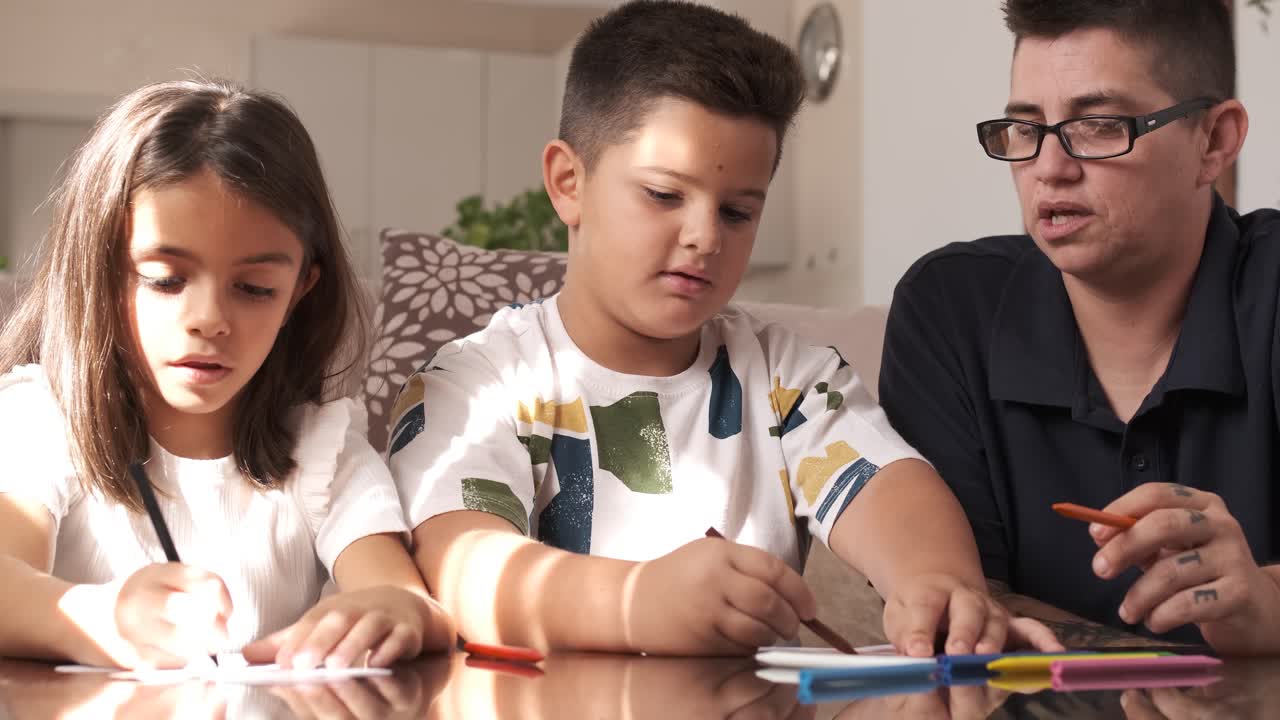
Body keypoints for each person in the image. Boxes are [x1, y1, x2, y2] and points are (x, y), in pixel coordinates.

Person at [390, 0, 1058, 657]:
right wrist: (638, 602)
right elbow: (462, 567)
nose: (705, 236)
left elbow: (887, 484)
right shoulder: (477, 385)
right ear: (568, 182)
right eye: (664, 195)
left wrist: (935, 583)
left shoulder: (790, 380)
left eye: (738, 212)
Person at [0, 78, 454, 670]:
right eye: (165, 279)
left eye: (255, 289)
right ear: (101, 271)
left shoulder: (321, 448)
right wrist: (102, 617)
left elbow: (407, 598)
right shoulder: (40, 421)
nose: (209, 320)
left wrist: (396, 612)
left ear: (299, 291)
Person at [880, 0, 1280, 652]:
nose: (1049, 167)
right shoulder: (949, 312)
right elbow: (959, 601)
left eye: (1096, 126)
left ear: (1214, 140)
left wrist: (1267, 605)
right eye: (1024, 127)